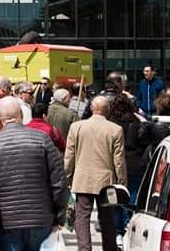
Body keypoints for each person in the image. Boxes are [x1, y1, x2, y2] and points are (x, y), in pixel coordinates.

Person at [0, 97, 66, 251]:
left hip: (5, 222)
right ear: (22, 114)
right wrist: (59, 215)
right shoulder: (42, 140)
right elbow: (58, 181)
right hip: (40, 218)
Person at [64, 95, 126, 251]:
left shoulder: (76, 127)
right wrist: (122, 183)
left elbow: (69, 156)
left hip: (83, 178)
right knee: (107, 218)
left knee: (82, 216)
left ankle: (84, 248)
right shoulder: (115, 129)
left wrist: (67, 177)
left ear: (91, 108)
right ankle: (110, 248)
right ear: (108, 110)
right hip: (106, 181)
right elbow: (119, 160)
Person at [107, 94, 150, 237]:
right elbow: (144, 141)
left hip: (114, 165)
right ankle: (129, 225)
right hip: (135, 164)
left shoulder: (110, 124)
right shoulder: (136, 122)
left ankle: (118, 231)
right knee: (133, 197)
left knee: (115, 198)